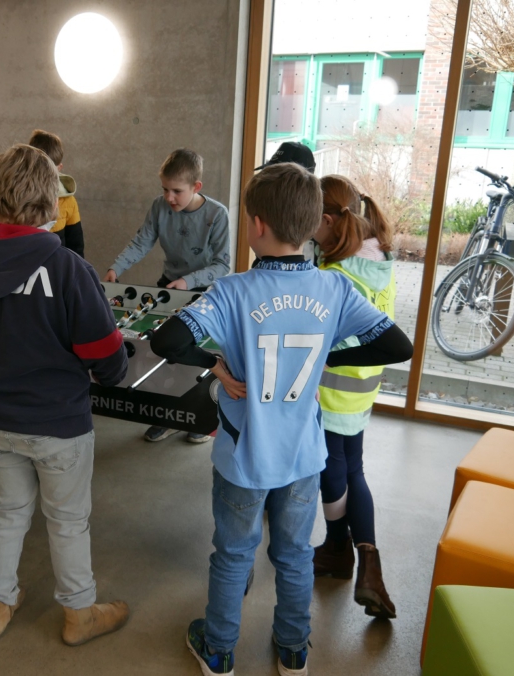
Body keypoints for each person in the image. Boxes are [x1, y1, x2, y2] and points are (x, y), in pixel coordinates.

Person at [150, 163, 413, 676]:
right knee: (294, 556)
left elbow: (167, 341)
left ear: (256, 225)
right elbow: (396, 345)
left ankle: (219, 650)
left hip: (242, 458)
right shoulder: (335, 290)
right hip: (304, 457)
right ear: (312, 224)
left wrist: (215, 365)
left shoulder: (231, 290)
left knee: (233, 554)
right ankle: (294, 650)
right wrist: (329, 356)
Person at [0, 144, 130, 645]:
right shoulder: (68, 269)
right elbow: (109, 363)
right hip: (58, 425)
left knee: (6, 512)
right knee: (67, 521)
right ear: (51, 203)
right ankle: (79, 615)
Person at [311, 175, 397, 619]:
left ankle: (339, 551)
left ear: (328, 221)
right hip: (364, 386)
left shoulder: (335, 275)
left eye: (310, 219)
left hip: (332, 389)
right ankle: (366, 566)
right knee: (353, 469)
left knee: (332, 472)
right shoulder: (379, 261)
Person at [104, 148, 230, 444]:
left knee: (194, 356)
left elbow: (222, 265)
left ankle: (198, 419)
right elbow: (141, 242)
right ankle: (168, 416)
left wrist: (189, 281)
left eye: (177, 191)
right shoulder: (159, 206)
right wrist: (115, 267)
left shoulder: (217, 214)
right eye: (165, 189)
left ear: (196, 187)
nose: (169, 197)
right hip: (168, 288)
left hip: (203, 294)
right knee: (161, 352)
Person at [28, 129, 84, 257]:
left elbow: (76, 247)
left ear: (59, 168)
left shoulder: (68, 201)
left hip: (57, 265)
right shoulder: (19, 196)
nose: (44, 176)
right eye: (39, 169)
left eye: (50, 171)